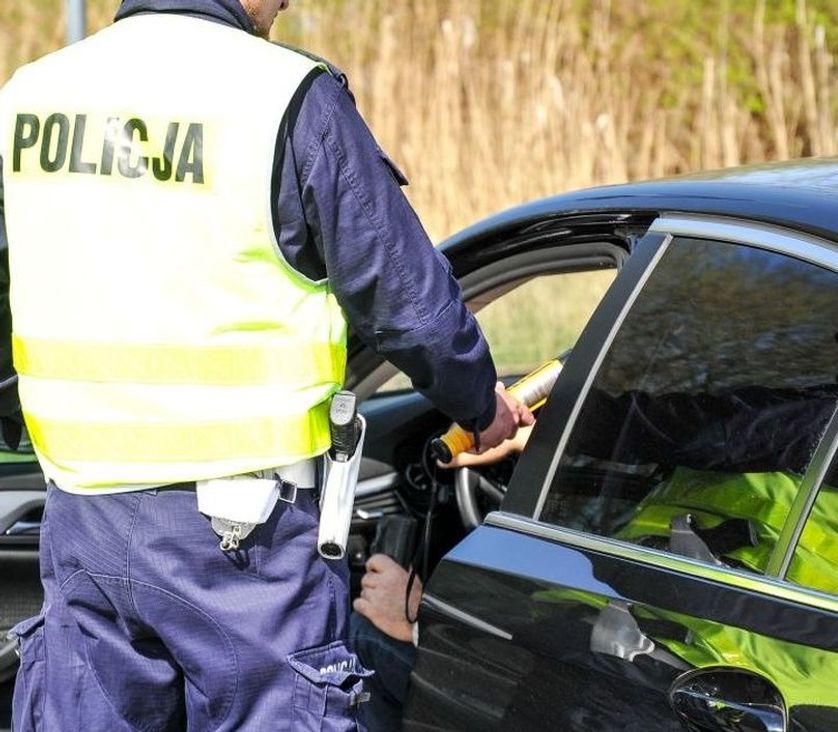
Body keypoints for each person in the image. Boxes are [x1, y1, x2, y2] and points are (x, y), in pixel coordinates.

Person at [0, 1, 532, 729]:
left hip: (83, 518)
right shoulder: (284, 96)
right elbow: (406, 298)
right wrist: (482, 406)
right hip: (241, 543)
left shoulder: (33, 93)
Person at [349, 317, 838, 722]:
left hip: (682, 649)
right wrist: (536, 444)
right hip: (696, 634)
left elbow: (723, 430)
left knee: (362, 647)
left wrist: (567, 420)